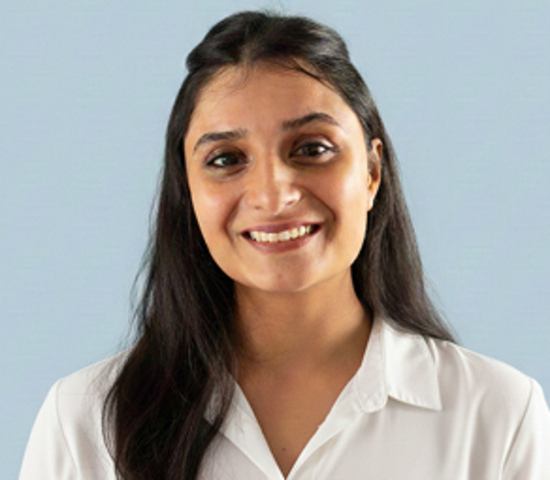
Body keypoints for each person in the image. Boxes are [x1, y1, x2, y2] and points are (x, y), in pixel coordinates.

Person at [19, 10, 550, 480]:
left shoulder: (497, 414)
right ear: (188, 191)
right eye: (226, 159)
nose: (273, 196)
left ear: (371, 172)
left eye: (312, 149)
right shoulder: (85, 422)